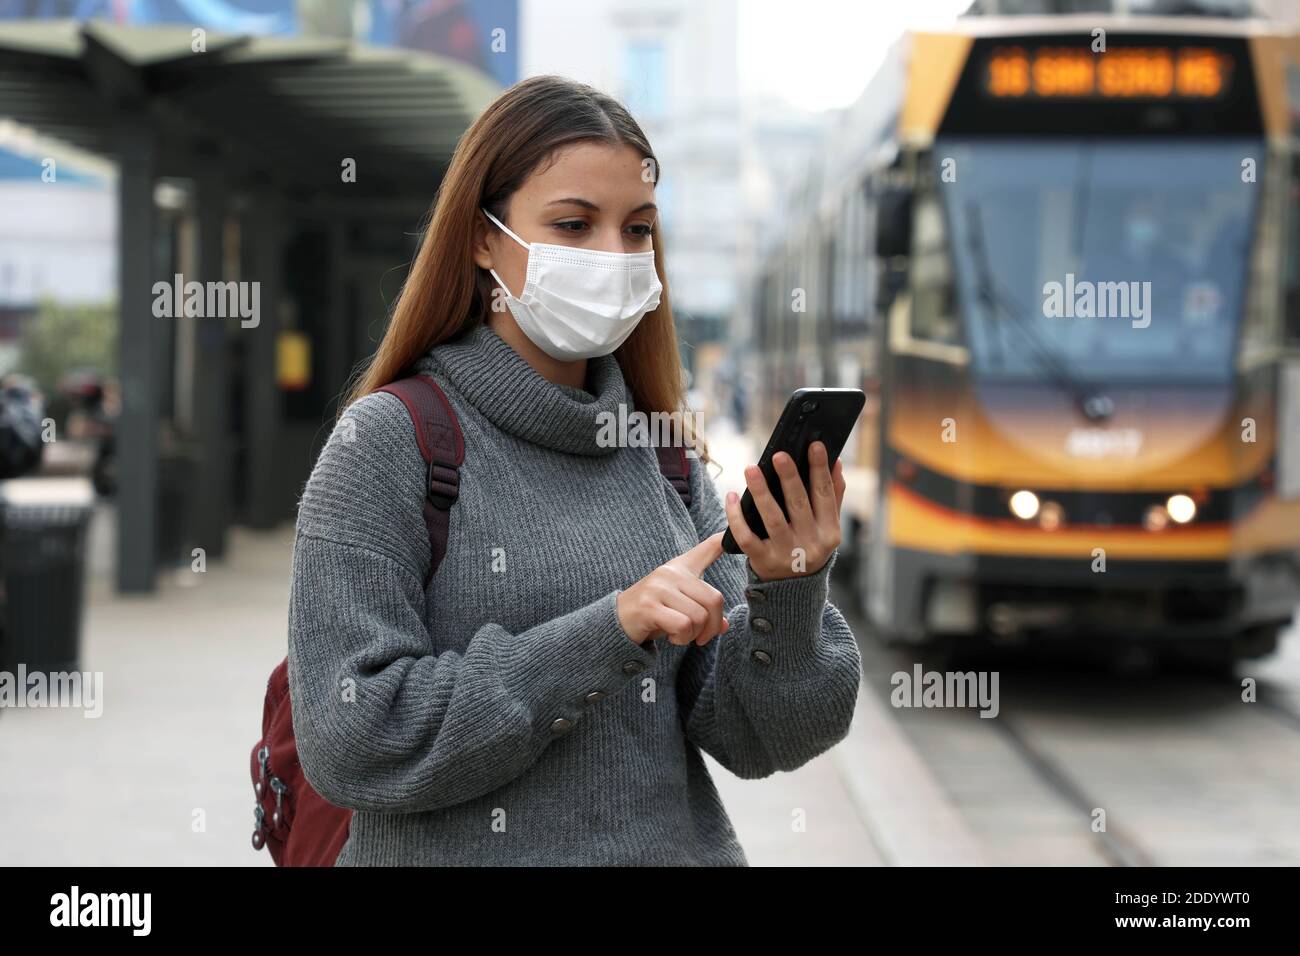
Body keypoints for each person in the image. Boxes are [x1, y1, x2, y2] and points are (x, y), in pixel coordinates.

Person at [287, 75, 862, 866]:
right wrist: (611, 629)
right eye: (572, 224)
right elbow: (352, 739)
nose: (613, 257)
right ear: (484, 237)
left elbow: (765, 740)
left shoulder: (660, 451)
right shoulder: (389, 443)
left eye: (637, 230)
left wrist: (791, 583)